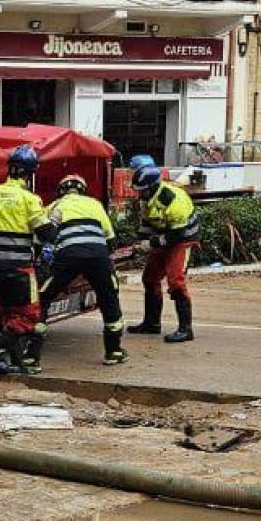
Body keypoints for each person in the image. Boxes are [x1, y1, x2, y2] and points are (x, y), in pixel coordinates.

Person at [0, 146, 55, 376]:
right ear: (29, 174)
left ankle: (16, 362)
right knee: (29, 317)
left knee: (11, 316)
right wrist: (54, 223)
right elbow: (47, 234)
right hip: (21, 270)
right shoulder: (29, 199)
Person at [38, 174, 127, 366]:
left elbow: (43, 237)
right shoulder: (95, 205)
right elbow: (110, 239)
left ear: (61, 190)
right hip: (98, 257)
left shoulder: (54, 206)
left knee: (43, 298)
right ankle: (114, 352)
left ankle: (31, 356)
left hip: (67, 257)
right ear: (83, 189)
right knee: (109, 299)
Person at [126, 156, 199, 344]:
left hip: (182, 240)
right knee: (149, 278)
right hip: (163, 238)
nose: (138, 195)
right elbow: (147, 224)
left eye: (141, 191)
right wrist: (139, 242)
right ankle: (152, 323)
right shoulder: (146, 199)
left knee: (175, 281)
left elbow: (178, 234)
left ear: (151, 188)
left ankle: (185, 329)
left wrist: (153, 243)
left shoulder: (173, 200)